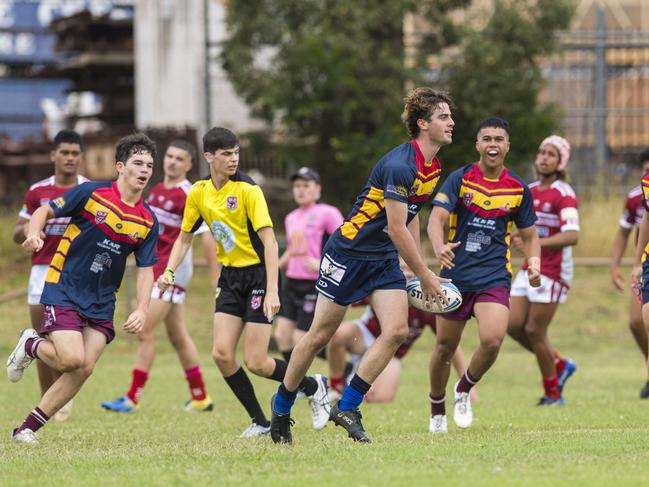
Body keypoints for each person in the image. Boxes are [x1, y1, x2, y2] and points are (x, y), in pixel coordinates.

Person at [270, 87, 454, 444]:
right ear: (422, 123)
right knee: (319, 335)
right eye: (443, 117)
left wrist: (410, 264)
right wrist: (426, 274)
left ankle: (348, 406)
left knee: (397, 331)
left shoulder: (432, 166)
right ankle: (281, 408)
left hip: (383, 256)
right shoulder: (401, 165)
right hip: (349, 253)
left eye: (450, 116)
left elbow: (410, 216)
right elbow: (397, 226)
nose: (451, 123)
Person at [157, 127, 329, 438]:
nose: (233, 159)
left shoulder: (249, 189)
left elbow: (271, 243)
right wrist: (169, 271)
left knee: (257, 361)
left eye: (236, 153)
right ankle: (260, 421)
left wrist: (273, 290)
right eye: (226, 154)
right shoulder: (198, 192)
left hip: (260, 274)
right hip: (230, 276)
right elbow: (184, 239)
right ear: (209, 156)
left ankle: (314, 386)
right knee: (221, 355)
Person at [6, 133, 159, 443]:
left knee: (84, 368)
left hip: (102, 300)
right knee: (72, 359)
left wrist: (142, 308)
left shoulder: (147, 220)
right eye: (138, 163)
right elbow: (44, 211)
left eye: (149, 165)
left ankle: (25, 431)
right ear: (120, 166)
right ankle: (30, 344)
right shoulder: (92, 193)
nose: (144, 170)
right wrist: (35, 234)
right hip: (65, 287)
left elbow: (145, 270)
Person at [427, 117, 541, 434]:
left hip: (494, 276)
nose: (493, 144)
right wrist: (438, 246)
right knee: (444, 348)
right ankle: (437, 409)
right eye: (487, 139)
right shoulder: (460, 178)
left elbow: (530, 235)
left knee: (492, 340)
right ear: (477, 145)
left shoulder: (518, 188)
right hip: (455, 277)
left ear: (507, 146)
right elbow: (436, 219)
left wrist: (534, 263)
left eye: (499, 139)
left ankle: (463, 389)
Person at [101, 140, 220, 413]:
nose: (172, 162)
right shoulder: (155, 190)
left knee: (144, 330)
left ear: (190, 165)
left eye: (180, 158)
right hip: (155, 269)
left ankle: (132, 397)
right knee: (178, 335)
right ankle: (200, 396)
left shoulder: (190, 193)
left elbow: (208, 238)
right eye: (170, 156)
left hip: (171, 273)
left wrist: (216, 278)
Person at [12, 129, 88, 422]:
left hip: (75, 272)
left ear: (80, 157)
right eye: (64, 152)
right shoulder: (37, 191)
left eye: (74, 153)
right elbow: (17, 232)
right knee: (43, 337)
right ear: (53, 155)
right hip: (42, 271)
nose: (69, 158)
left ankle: (60, 395)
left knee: (71, 339)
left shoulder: (89, 189)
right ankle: (48, 401)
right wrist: (33, 228)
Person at [507, 135, 579, 406]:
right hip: (531, 267)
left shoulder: (564, 193)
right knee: (512, 325)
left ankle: (553, 393)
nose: (544, 157)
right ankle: (559, 364)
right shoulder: (528, 190)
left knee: (535, 330)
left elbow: (572, 236)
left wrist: (533, 243)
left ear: (560, 162)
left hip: (554, 270)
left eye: (551, 154)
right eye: (541, 152)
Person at [327, 301, 477, 404]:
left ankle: (356, 377)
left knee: (382, 398)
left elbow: (450, 345)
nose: (410, 276)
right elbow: (351, 298)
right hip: (366, 336)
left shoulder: (425, 305)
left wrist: (468, 387)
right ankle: (336, 385)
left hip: (391, 353)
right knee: (339, 334)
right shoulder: (389, 287)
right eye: (406, 271)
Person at [275, 166, 344, 362]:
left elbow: (346, 243)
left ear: (317, 189)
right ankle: (296, 386)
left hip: (315, 284)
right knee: (282, 336)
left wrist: (324, 264)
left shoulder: (327, 213)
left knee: (301, 338)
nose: (300, 189)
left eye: (306, 185)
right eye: (297, 185)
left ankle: (344, 365)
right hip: (291, 283)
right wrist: (272, 269)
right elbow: (293, 249)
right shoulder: (291, 217)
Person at [611, 150, 649, 398]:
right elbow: (626, 231)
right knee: (637, 321)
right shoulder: (637, 195)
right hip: (647, 261)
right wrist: (629, 264)